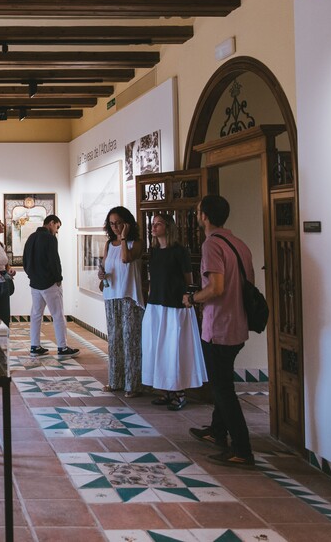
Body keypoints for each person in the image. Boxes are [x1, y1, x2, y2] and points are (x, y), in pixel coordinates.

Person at [182, 194, 256, 469]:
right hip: (238, 323)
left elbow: (216, 288)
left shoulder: (212, 245)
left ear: (204, 216)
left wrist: (192, 299)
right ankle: (217, 430)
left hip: (219, 326)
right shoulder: (239, 244)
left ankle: (242, 449)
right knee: (222, 381)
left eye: (198, 210)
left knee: (222, 389)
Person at [141, 213, 207, 410]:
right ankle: (166, 389)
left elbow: (188, 278)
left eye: (158, 224)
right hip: (156, 305)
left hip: (175, 305)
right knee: (158, 348)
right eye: (152, 224)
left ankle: (179, 392)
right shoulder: (153, 251)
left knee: (174, 349)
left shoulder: (179, 251)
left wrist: (188, 298)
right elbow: (153, 278)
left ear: (168, 227)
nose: (153, 228)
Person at [97, 206, 145, 397]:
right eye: (112, 223)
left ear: (127, 222)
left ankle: (132, 385)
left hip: (129, 297)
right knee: (114, 340)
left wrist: (124, 238)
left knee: (130, 341)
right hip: (111, 297)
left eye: (118, 223)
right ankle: (115, 381)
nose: (115, 227)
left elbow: (126, 259)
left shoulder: (137, 243)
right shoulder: (109, 244)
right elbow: (105, 267)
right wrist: (101, 274)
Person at [22, 214, 79, 358]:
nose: (57, 230)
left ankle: (34, 346)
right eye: (57, 227)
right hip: (49, 284)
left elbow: (25, 260)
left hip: (35, 284)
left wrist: (31, 275)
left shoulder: (31, 237)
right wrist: (58, 278)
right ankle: (62, 347)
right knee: (58, 314)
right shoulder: (50, 238)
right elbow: (54, 261)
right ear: (51, 223)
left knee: (36, 315)